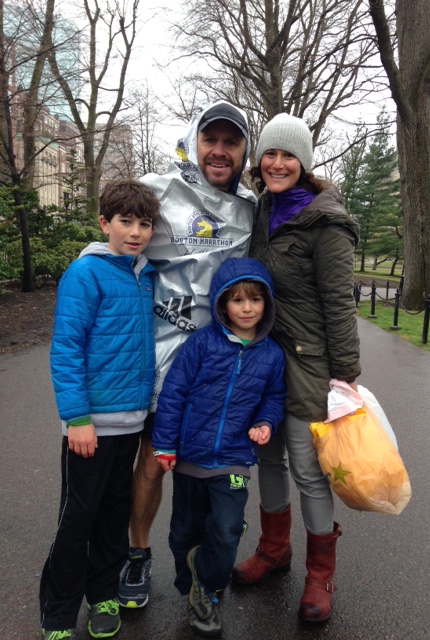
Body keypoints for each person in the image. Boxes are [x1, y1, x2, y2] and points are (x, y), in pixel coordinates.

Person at [117, 101, 256, 609]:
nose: (219, 151)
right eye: (211, 140)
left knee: (211, 473)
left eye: (231, 142)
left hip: (219, 364)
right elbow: (118, 231)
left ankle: (201, 572)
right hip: (160, 354)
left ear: (244, 150)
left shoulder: (250, 208)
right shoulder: (160, 189)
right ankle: (137, 556)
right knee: (153, 462)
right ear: (195, 141)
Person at [231, 114, 361, 623]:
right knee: (267, 459)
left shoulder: (325, 221)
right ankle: (274, 550)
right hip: (262, 361)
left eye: (288, 156)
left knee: (309, 472)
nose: (278, 163)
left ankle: (319, 576)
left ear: (304, 162)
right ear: (259, 160)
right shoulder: (261, 209)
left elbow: (339, 304)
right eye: (270, 154)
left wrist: (345, 376)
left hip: (309, 366)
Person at [39, 179, 158, 640]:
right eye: (125, 221)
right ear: (104, 223)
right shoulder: (85, 273)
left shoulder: (143, 273)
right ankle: (58, 613)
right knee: (78, 518)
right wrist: (79, 419)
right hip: (90, 427)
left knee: (114, 512)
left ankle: (103, 593)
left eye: (144, 224)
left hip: (130, 421)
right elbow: (67, 348)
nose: (135, 232)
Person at [152, 257, 285, 637]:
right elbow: (174, 393)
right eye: (238, 300)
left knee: (227, 529)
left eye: (256, 300)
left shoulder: (272, 354)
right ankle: (196, 580)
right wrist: (164, 444)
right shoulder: (201, 344)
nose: (247, 308)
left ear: (267, 304)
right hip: (190, 456)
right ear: (222, 304)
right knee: (184, 532)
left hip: (233, 460)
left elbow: (273, 398)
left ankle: (207, 587)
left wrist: (264, 423)